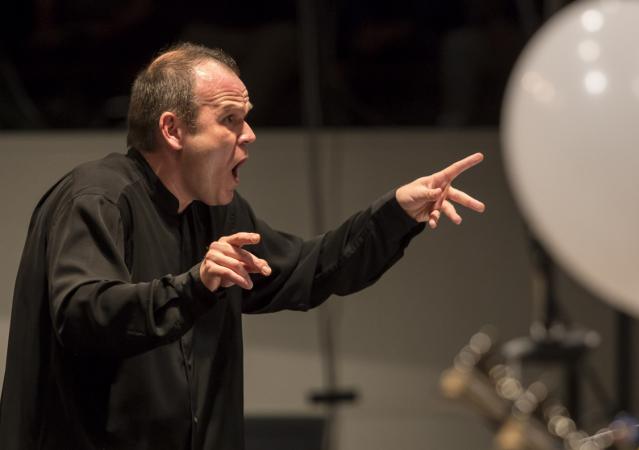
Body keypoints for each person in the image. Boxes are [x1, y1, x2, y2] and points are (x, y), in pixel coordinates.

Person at [0, 43, 485, 449]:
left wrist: (396, 211)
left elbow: (310, 270)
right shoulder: (98, 198)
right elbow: (84, 313)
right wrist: (194, 286)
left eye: (246, 119)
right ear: (172, 130)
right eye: (230, 118)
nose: (249, 135)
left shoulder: (218, 214)